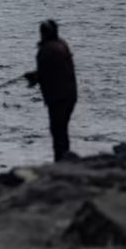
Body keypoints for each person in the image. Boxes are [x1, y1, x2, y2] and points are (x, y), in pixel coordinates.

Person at [24, 19, 78, 162]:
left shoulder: (47, 50)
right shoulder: (61, 45)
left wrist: (33, 77)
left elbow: (44, 74)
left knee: (58, 131)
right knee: (61, 130)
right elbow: (51, 71)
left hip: (58, 98)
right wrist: (36, 76)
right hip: (70, 95)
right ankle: (65, 160)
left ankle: (61, 161)